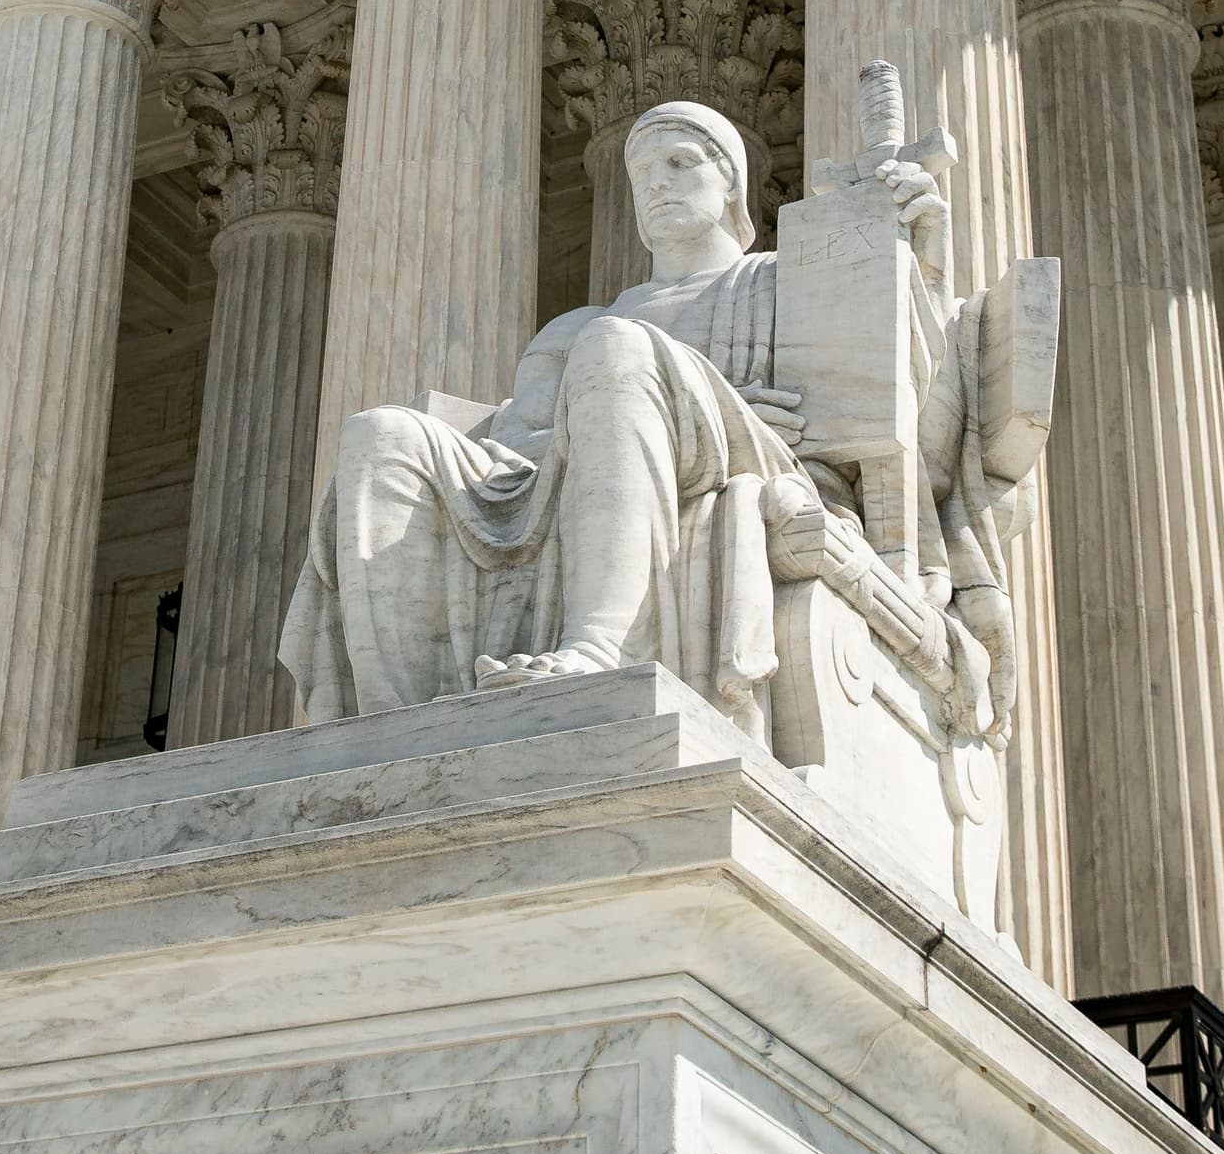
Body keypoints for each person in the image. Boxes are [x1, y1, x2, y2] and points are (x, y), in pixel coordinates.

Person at [279, 98, 828, 719]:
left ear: (731, 180)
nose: (657, 184)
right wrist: (592, 424)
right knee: (379, 432)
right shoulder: (576, 330)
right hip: (567, 471)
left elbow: (871, 403)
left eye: (680, 163)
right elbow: (516, 449)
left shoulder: (783, 283)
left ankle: (600, 645)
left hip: (743, 458)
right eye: (643, 174)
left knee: (616, 344)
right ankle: (391, 712)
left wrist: (918, 239)